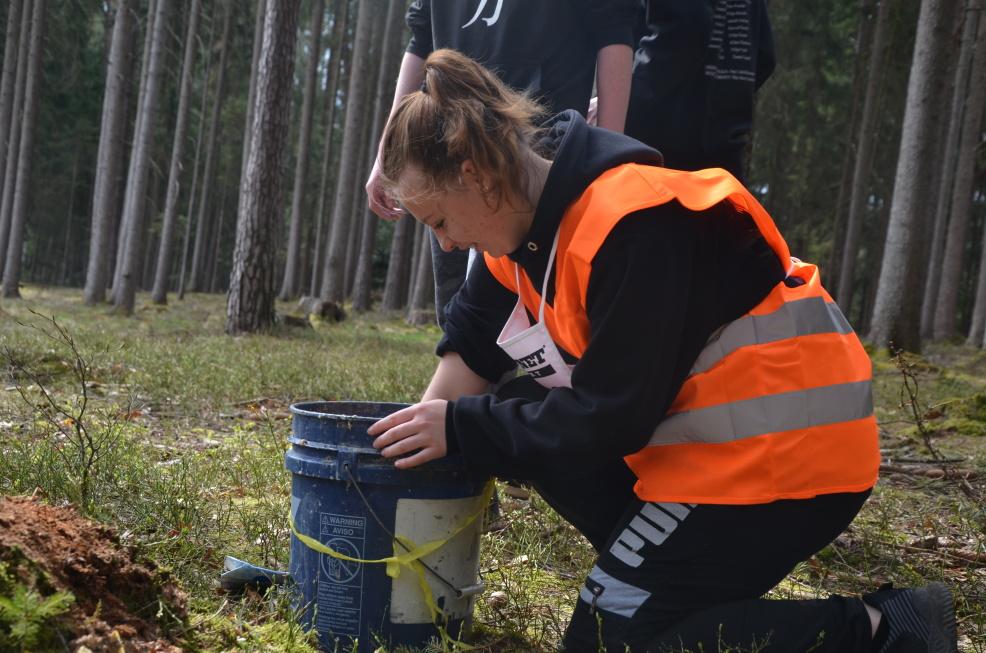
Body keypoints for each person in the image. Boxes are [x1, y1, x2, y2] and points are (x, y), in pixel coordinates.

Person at [366, 49, 958, 653]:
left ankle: (884, 626)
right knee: (521, 405)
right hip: (702, 449)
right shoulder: (515, 238)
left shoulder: (634, 221)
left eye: (438, 221)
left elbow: (609, 417)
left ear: (475, 175)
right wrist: (402, 465)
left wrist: (463, 428)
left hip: (786, 457)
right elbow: (465, 362)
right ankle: (664, 581)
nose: (445, 244)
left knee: (607, 641)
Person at [365, 0, 636, 327]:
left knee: (550, 314)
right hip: (442, 152)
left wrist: (606, 150)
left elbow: (614, 27)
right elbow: (422, 37)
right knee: (461, 316)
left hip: (538, 153)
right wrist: (388, 150)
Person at [621, 0, 775, 182]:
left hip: (660, 155)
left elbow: (687, 26)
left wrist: (623, 97)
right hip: (726, 156)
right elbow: (765, 55)